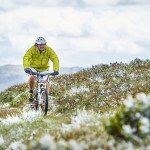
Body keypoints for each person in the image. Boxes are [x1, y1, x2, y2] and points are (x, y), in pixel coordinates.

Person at [23, 37, 59, 102]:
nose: (42, 46)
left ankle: (45, 101)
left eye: (43, 44)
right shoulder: (32, 49)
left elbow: (55, 58)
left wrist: (56, 70)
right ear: (37, 45)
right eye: (40, 45)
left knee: (45, 83)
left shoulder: (48, 49)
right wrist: (26, 68)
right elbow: (26, 57)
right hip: (34, 68)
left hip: (44, 69)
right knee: (31, 77)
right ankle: (31, 91)